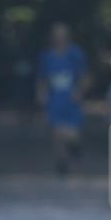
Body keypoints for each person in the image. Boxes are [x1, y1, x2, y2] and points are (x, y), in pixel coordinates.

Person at [36, 23, 89, 175]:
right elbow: (42, 79)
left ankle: (75, 149)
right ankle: (62, 164)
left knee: (73, 134)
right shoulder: (46, 56)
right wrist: (41, 96)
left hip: (71, 101)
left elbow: (85, 76)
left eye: (62, 34)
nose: (59, 38)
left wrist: (79, 91)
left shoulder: (75, 54)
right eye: (56, 35)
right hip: (54, 100)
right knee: (56, 133)